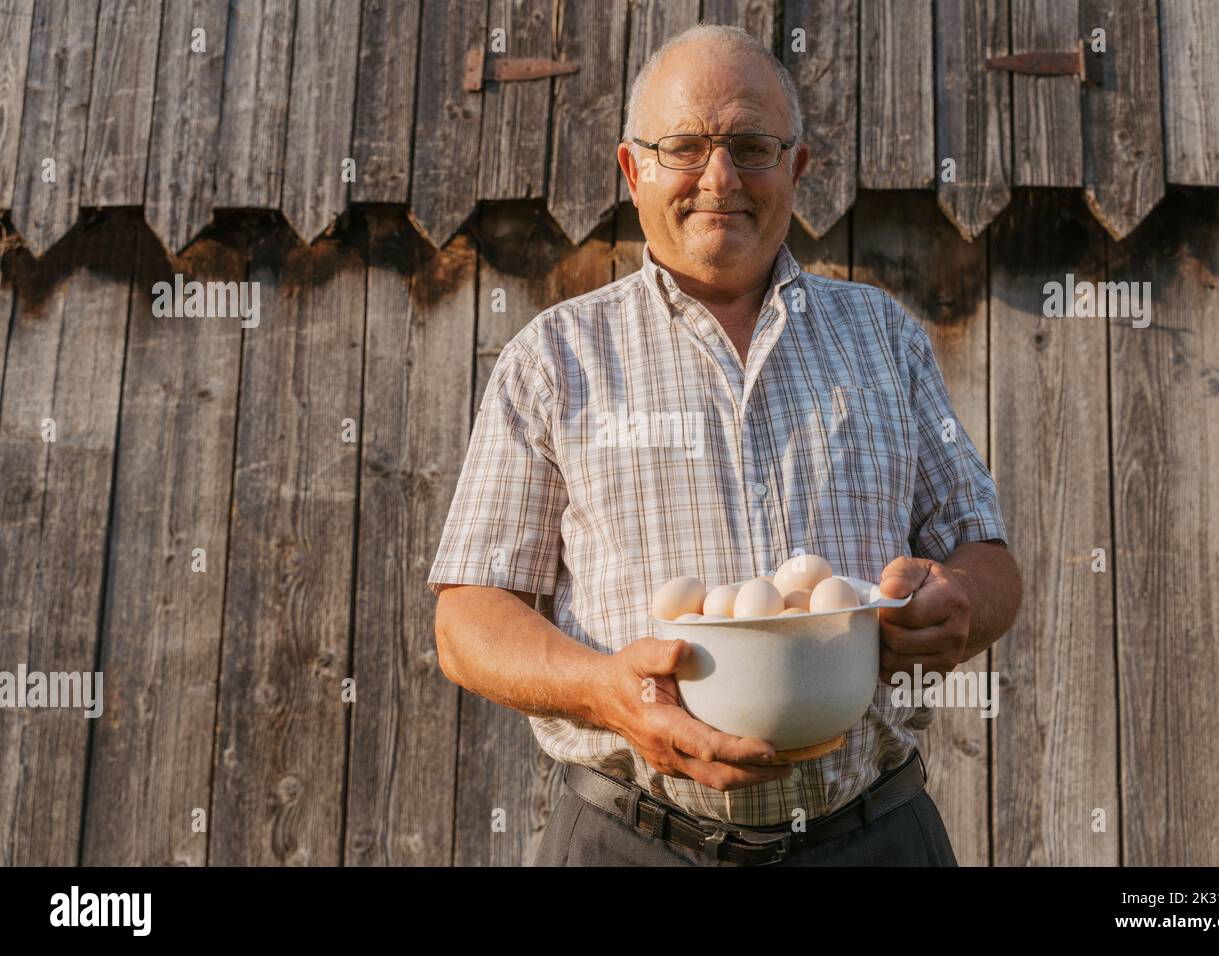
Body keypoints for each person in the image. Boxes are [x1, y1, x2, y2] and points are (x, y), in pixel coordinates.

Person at [428, 24, 1021, 866]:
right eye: (684, 147)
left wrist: (958, 598)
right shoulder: (554, 359)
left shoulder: (882, 338)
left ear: (797, 169)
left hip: (872, 836)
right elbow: (467, 619)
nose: (719, 179)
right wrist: (608, 694)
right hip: (629, 842)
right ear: (633, 172)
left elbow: (987, 557)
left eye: (751, 147)